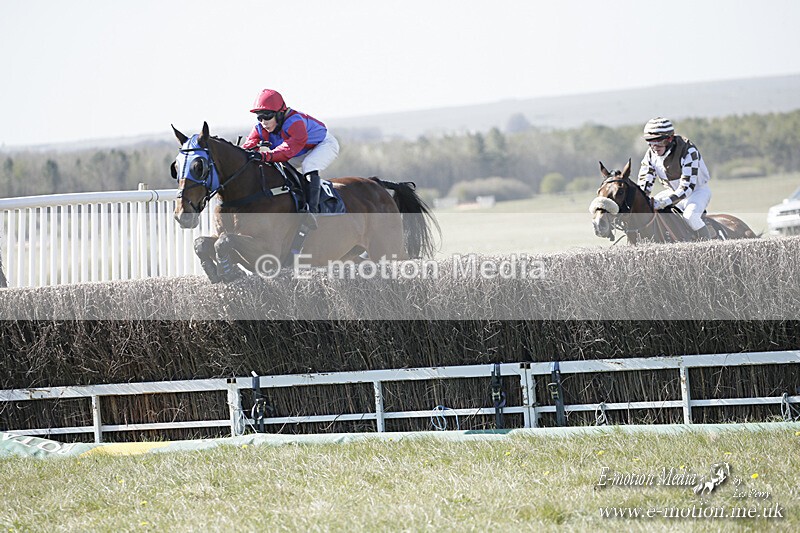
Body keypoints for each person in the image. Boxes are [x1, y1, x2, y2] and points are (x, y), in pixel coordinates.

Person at [242, 89, 340, 215]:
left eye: (267, 116)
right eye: (259, 117)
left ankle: (313, 211)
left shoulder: (295, 122)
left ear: (279, 114)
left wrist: (264, 155)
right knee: (279, 169)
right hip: (301, 150)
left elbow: (287, 150)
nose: (263, 122)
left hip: (323, 145)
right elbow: (247, 147)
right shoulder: (261, 128)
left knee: (309, 165)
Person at [637, 117, 715, 239]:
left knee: (690, 217)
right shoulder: (651, 154)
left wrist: (665, 202)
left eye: (659, 142)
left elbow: (686, 188)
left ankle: (710, 247)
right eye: (650, 142)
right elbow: (644, 184)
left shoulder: (688, 150)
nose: (655, 147)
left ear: (670, 139)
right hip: (671, 192)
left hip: (697, 192)